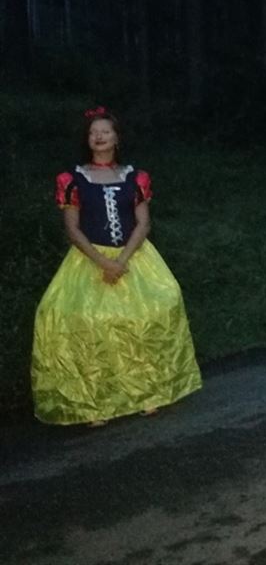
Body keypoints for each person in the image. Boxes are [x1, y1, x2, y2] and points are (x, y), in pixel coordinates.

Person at [32, 107, 202, 427]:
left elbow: (143, 223)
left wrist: (121, 261)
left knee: (148, 316)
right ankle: (94, 404)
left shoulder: (135, 177)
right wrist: (103, 263)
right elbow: (72, 229)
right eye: (93, 132)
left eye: (105, 131)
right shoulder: (72, 179)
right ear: (87, 139)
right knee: (81, 322)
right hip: (89, 259)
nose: (99, 136)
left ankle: (148, 392)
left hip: (133, 256)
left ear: (116, 138)